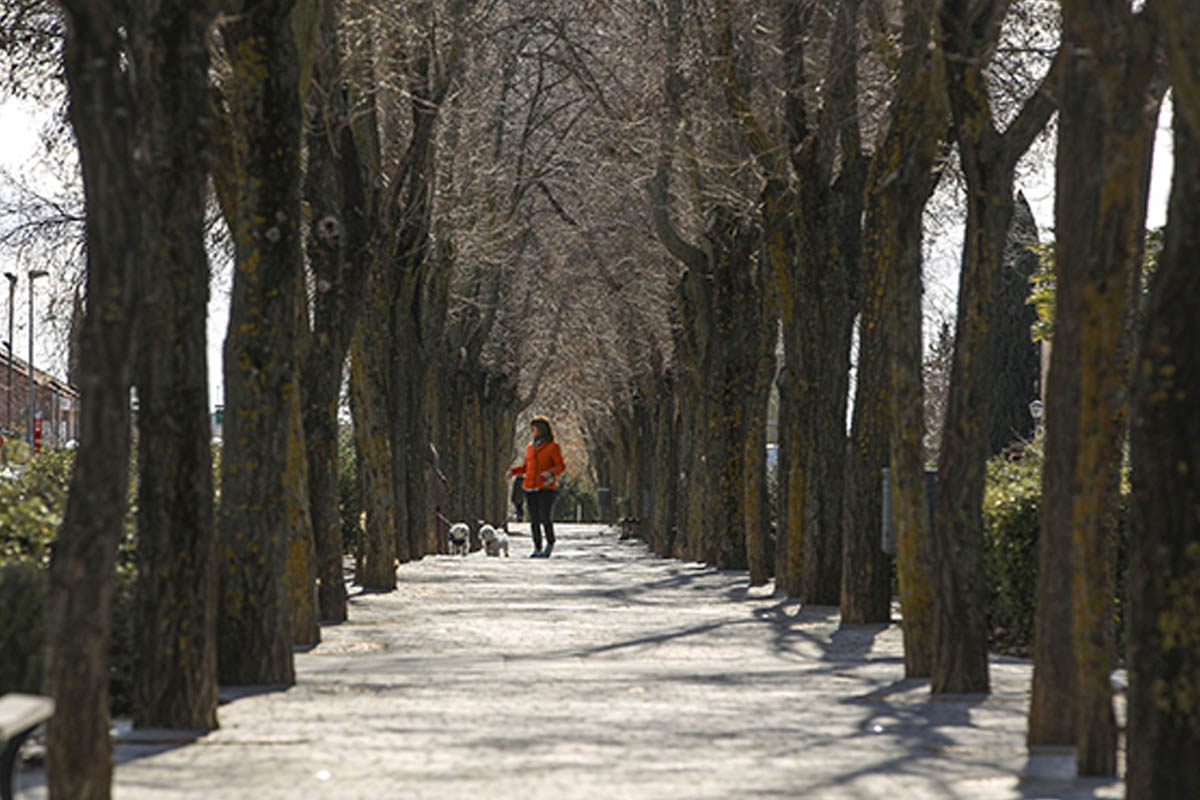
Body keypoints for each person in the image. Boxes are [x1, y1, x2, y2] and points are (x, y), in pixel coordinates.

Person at [508, 417, 566, 557]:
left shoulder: (553, 447)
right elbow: (526, 467)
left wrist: (549, 472)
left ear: (541, 430)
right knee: (533, 519)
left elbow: (560, 466)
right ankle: (537, 547)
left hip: (546, 488)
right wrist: (513, 471)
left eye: (533, 429)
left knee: (545, 517)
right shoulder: (530, 447)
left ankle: (550, 543)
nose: (531, 431)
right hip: (530, 487)